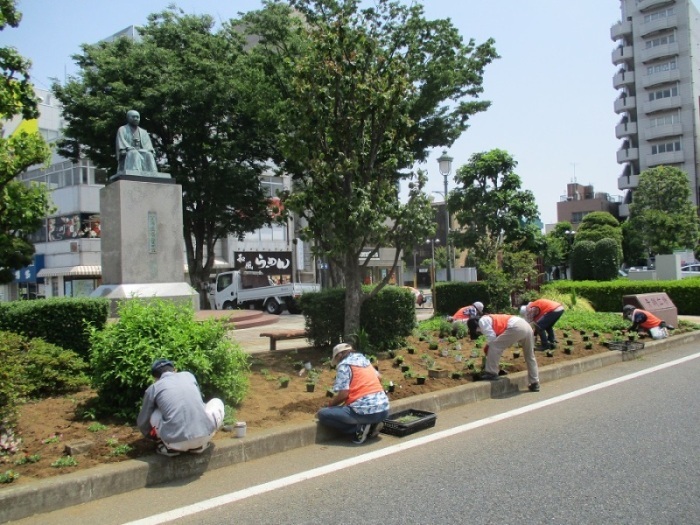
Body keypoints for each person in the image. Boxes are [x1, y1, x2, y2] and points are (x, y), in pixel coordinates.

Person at [136, 358, 224, 456]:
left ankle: (170, 449)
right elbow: (199, 404)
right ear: (175, 370)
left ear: (155, 378)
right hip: (204, 436)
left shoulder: (154, 388)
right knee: (216, 401)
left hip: (174, 444)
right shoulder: (189, 376)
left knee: (155, 413)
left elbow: (142, 421)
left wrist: (151, 437)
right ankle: (199, 446)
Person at [316, 343, 390, 444]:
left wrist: (330, 406)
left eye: (336, 359)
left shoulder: (344, 366)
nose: (337, 362)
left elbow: (344, 394)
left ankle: (357, 430)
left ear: (339, 355)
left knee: (323, 414)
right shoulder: (363, 360)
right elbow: (379, 377)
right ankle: (371, 426)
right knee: (350, 408)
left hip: (365, 412)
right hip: (384, 409)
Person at [467, 314, 540, 392]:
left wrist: (488, 347)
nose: (478, 331)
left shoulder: (482, 321)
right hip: (526, 326)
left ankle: (491, 373)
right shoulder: (491, 318)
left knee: (494, 346)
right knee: (530, 356)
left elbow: (491, 337)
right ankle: (535, 383)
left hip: (516, 327)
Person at [116, 109, 158, 174]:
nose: (135, 119)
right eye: (133, 117)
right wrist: (127, 148)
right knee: (134, 153)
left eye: (137, 117)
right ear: (128, 118)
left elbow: (148, 145)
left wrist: (150, 150)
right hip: (129, 151)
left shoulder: (143, 132)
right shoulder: (122, 129)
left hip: (141, 150)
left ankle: (152, 173)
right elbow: (121, 141)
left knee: (149, 154)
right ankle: (135, 171)